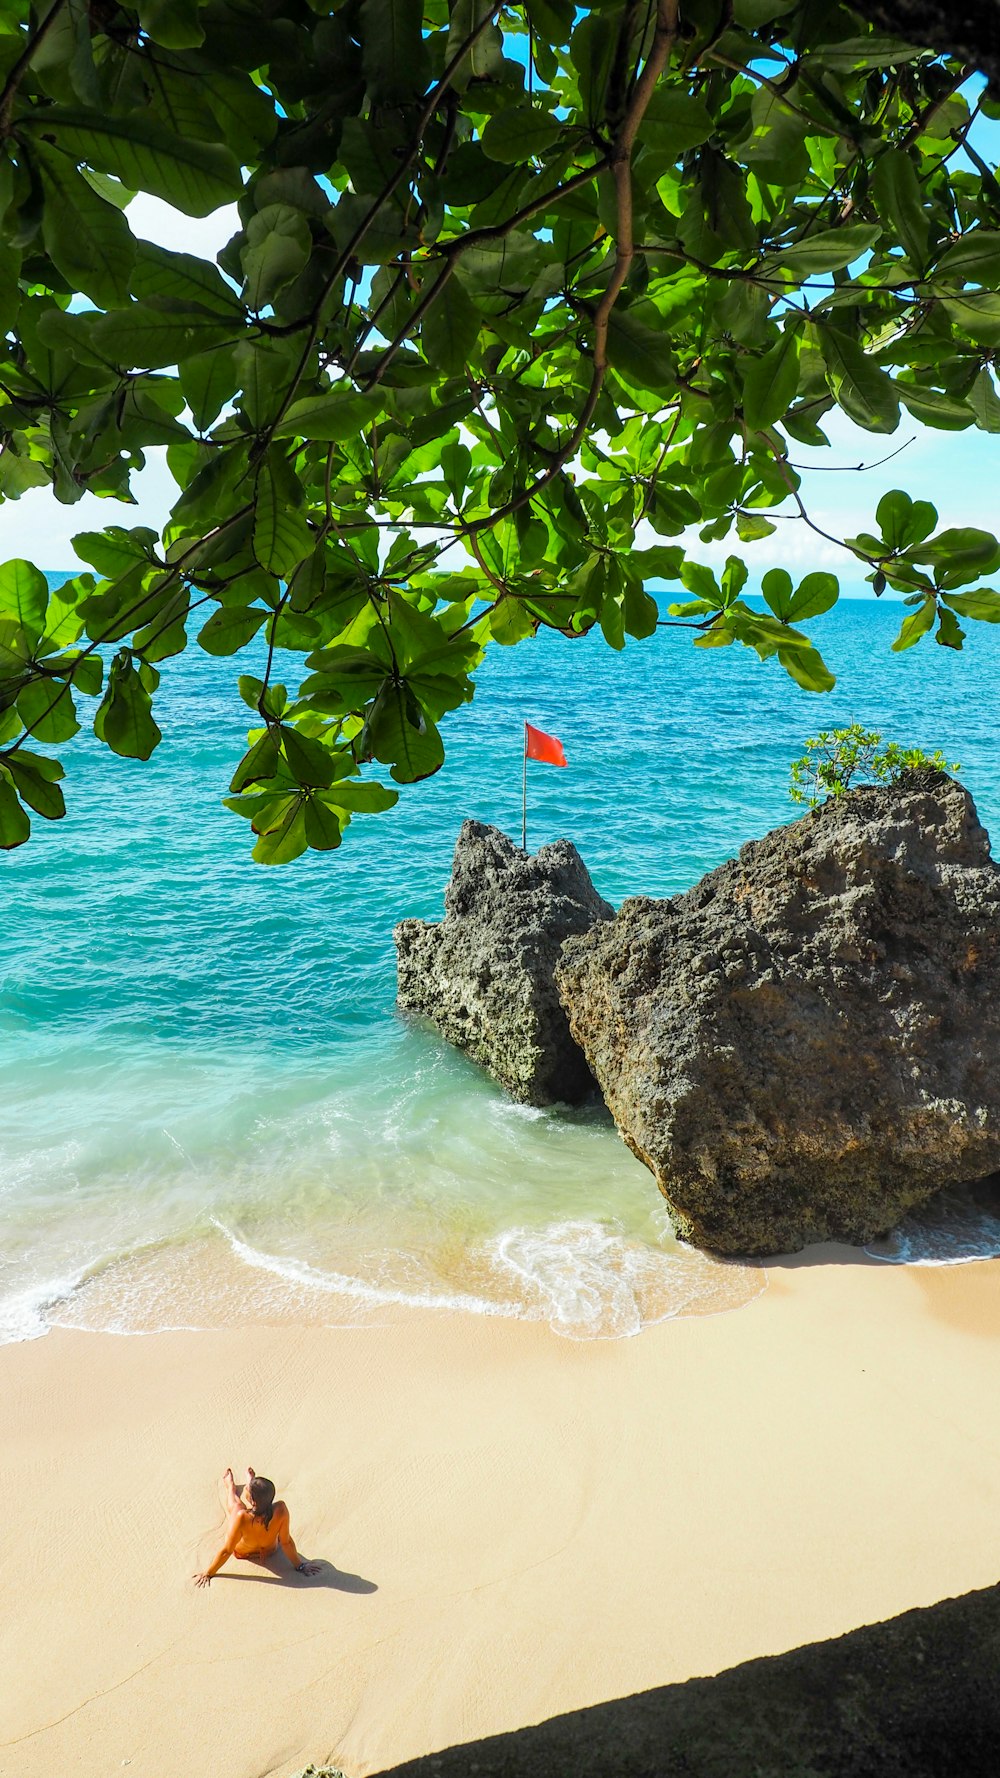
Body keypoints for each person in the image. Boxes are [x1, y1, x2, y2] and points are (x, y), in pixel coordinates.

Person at [193, 1466, 319, 1586]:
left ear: (252, 1501)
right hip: (271, 1550)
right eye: (248, 1486)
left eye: (247, 1489)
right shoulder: (281, 1509)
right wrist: (300, 1566)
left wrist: (208, 1573)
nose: (246, 1489)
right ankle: (253, 1483)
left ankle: (230, 1488)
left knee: (236, 1506)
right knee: (270, 1527)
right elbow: (286, 1542)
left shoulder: (241, 1517)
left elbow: (227, 1550)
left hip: (243, 1553)